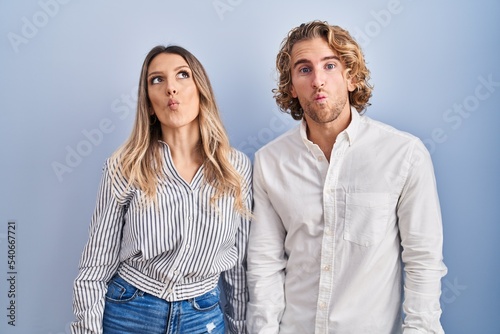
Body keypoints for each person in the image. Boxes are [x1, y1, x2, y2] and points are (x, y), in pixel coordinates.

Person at [246, 20, 447, 333]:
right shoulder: (270, 162)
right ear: (291, 87)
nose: (318, 80)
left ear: (351, 77)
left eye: (329, 65)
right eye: (304, 69)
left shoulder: (404, 154)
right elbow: (264, 265)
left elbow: (423, 260)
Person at [71, 45, 252, 334]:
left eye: (182, 75)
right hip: (129, 312)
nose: (171, 88)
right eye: (157, 79)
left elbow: (237, 267)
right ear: (148, 103)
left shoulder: (236, 167)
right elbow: (94, 266)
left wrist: (242, 328)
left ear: (200, 89)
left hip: (203, 316)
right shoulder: (125, 167)